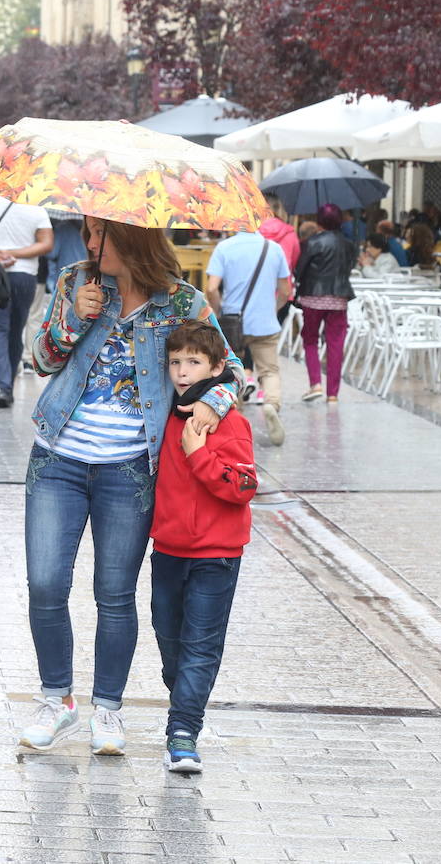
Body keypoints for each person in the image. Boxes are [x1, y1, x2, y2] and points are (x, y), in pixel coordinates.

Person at [18, 216, 242, 756]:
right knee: (46, 585)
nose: (89, 244)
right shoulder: (76, 282)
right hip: (58, 458)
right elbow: (40, 358)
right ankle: (57, 700)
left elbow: (233, 371)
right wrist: (74, 318)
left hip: (131, 469)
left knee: (114, 595)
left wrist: (209, 408)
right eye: (89, 234)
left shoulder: (181, 303)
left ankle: (108, 710)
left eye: (99, 235)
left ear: (131, 237)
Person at [149, 321, 257, 774]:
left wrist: (198, 453)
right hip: (169, 551)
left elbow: (244, 485)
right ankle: (185, 703)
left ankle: (183, 732)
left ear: (216, 367)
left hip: (216, 555)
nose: (182, 371)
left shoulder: (228, 422)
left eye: (193, 362)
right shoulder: (164, 417)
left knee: (200, 646)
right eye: (175, 362)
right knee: (170, 641)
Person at [205, 230, 291, 446]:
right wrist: (273, 309)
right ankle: (271, 403)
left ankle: (238, 417)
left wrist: (219, 310)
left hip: (233, 322)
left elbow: (211, 288)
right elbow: (285, 290)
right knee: (269, 370)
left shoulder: (224, 248)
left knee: (234, 369)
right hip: (265, 322)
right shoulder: (274, 248)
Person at [0, 193, 53, 407]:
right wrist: (16, 253)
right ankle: (6, 383)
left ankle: (1, 387)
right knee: (16, 330)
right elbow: (46, 243)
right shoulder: (36, 207)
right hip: (25, 276)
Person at [295, 203, 358, 404]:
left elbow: (300, 270)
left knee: (310, 339)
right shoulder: (349, 244)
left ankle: (316, 383)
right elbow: (348, 268)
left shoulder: (312, 242)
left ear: (319, 221)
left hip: (313, 297)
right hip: (339, 298)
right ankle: (333, 394)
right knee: (335, 344)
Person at [258, 195, 301, 274]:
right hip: (284, 282)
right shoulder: (290, 233)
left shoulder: (254, 234)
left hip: (261, 282)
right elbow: (295, 261)